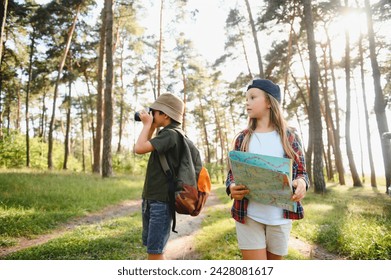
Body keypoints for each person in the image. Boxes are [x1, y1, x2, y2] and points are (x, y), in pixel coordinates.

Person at [226, 79, 309, 260]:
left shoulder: (290, 136)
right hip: (249, 216)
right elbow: (232, 174)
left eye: (253, 97)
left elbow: (302, 172)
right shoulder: (243, 138)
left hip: (280, 217)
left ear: (269, 103)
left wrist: (301, 182)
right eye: (246, 98)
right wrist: (232, 187)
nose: (247, 102)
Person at [134, 93, 184, 260]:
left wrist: (147, 125)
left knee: (155, 254)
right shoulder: (166, 133)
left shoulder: (171, 134)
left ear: (165, 115)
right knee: (152, 250)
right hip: (153, 199)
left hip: (160, 202)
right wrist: (152, 126)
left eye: (154, 111)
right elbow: (145, 145)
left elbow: (139, 148)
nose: (151, 115)